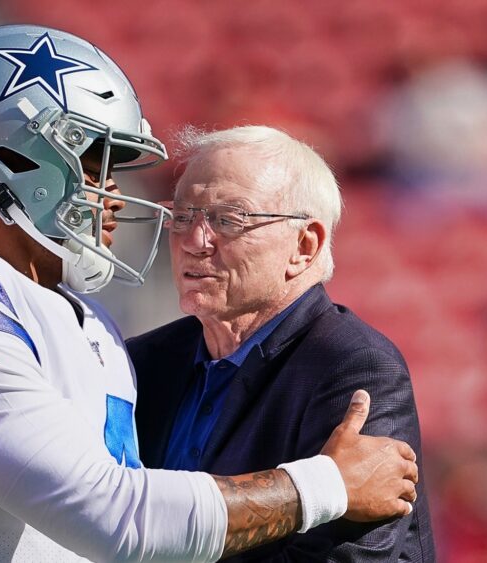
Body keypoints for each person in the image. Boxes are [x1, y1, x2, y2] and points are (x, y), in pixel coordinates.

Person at [0, 25, 418, 562]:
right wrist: (326, 485)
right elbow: (110, 514)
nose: (113, 194)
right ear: (9, 157)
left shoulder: (93, 327)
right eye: (91, 166)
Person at [128, 125, 435, 561]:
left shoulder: (352, 366)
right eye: (181, 217)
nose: (194, 242)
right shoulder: (145, 360)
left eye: (228, 220)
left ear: (304, 246)